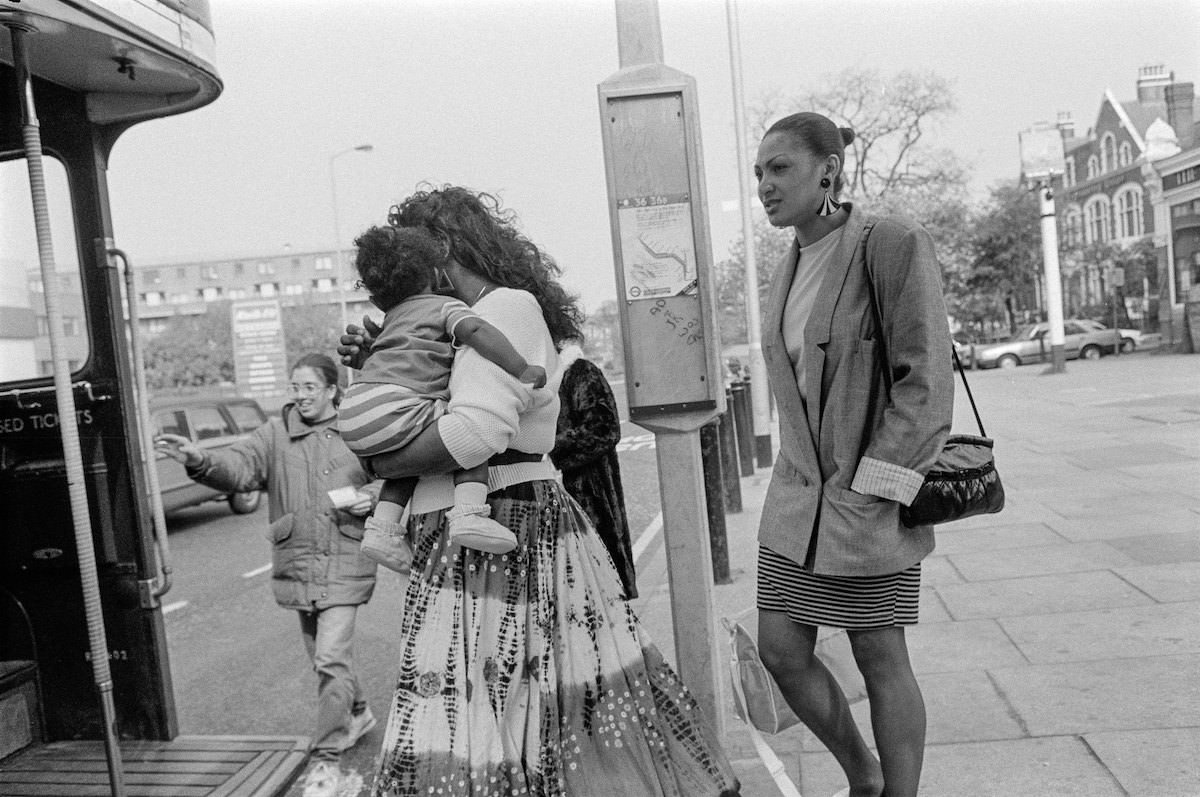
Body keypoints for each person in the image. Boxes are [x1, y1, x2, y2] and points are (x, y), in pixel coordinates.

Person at [338, 185, 739, 797]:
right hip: (479, 530)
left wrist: (375, 444)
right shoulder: (448, 326)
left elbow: (473, 433)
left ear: (441, 249)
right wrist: (388, 364)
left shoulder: (504, 310)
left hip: (502, 525)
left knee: (502, 713)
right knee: (504, 712)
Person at [752, 112, 954, 797]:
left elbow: (924, 377)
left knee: (879, 653)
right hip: (795, 498)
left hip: (866, 493)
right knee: (779, 648)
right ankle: (862, 772)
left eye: (779, 169)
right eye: (758, 173)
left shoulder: (890, 243)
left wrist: (880, 486)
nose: (764, 186)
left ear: (828, 171)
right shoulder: (785, 265)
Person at [155, 353, 381, 797]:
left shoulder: (356, 429)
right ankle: (358, 711)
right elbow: (239, 468)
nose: (299, 396)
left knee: (331, 658)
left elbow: (391, 476)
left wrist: (371, 496)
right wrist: (199, 458)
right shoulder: (275, 433)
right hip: (298, 561)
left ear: (333, 390)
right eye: (294, 387)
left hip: (346, 556)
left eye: (309, 388)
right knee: (323, 656)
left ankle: (326, 762)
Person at [340, 224, 546, 565]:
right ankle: (468, 514)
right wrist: (522, 369)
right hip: (396, 407)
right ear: (436, 273)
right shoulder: (442, 306)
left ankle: (382, 530)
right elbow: (476, 330)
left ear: (375, 299)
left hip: (355, 410)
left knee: (404, 456)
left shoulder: (390, 319)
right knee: (466, 436)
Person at [549, 341, 637, 599]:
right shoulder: (554, 379)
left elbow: (605, 429)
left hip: (590, 492)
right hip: (568, 492)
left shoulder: (580, 373)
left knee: (602, 583)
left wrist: (552, 445)